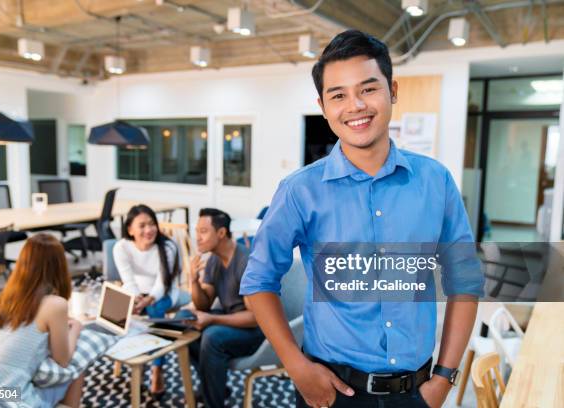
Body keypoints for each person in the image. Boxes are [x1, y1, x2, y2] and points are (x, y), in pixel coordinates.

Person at [240, 30, 484, 408]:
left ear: (393, 91)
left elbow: (465, 281)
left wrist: (444, 378)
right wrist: (296, 365)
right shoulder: (299, 190)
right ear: (323, 106)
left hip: (417, 393)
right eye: (338, 95)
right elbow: (258, 281)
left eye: (368, 89)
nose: (355, 106)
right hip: (331, 392)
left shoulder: (436, 181)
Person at [0, 233, 85, 408]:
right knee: (78, 366)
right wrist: (76, 327)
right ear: (59, 266)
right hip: (7, 397)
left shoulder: (5, 297)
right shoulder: (56, 304)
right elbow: (63, 360)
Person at [179, 208, 264, 408]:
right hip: (232, 319)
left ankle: (213, 402)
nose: (197, 238)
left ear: (221, 233)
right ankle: (216, 386)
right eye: (196, 231)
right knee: (184, 319)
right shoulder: (214, 259)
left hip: (257, 332)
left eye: (203, 231)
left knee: (212, 335)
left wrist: (212, 320)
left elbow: (255, 318)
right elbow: (204, 304)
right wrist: (193, 281)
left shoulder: (246, 262)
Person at [113, 204, 181, 396]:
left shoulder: (167, 247)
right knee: (116, 309)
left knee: (155, 310)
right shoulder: (121, 247)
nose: (149, 230)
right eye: (142, 226)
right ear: (130, 230)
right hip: (137, 292)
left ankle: (156, 368)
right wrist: (136, 299)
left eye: (152, 224)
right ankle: (133, 355)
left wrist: (148, 300)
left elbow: (163, 283)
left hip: (165, 292)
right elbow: (127, 279)